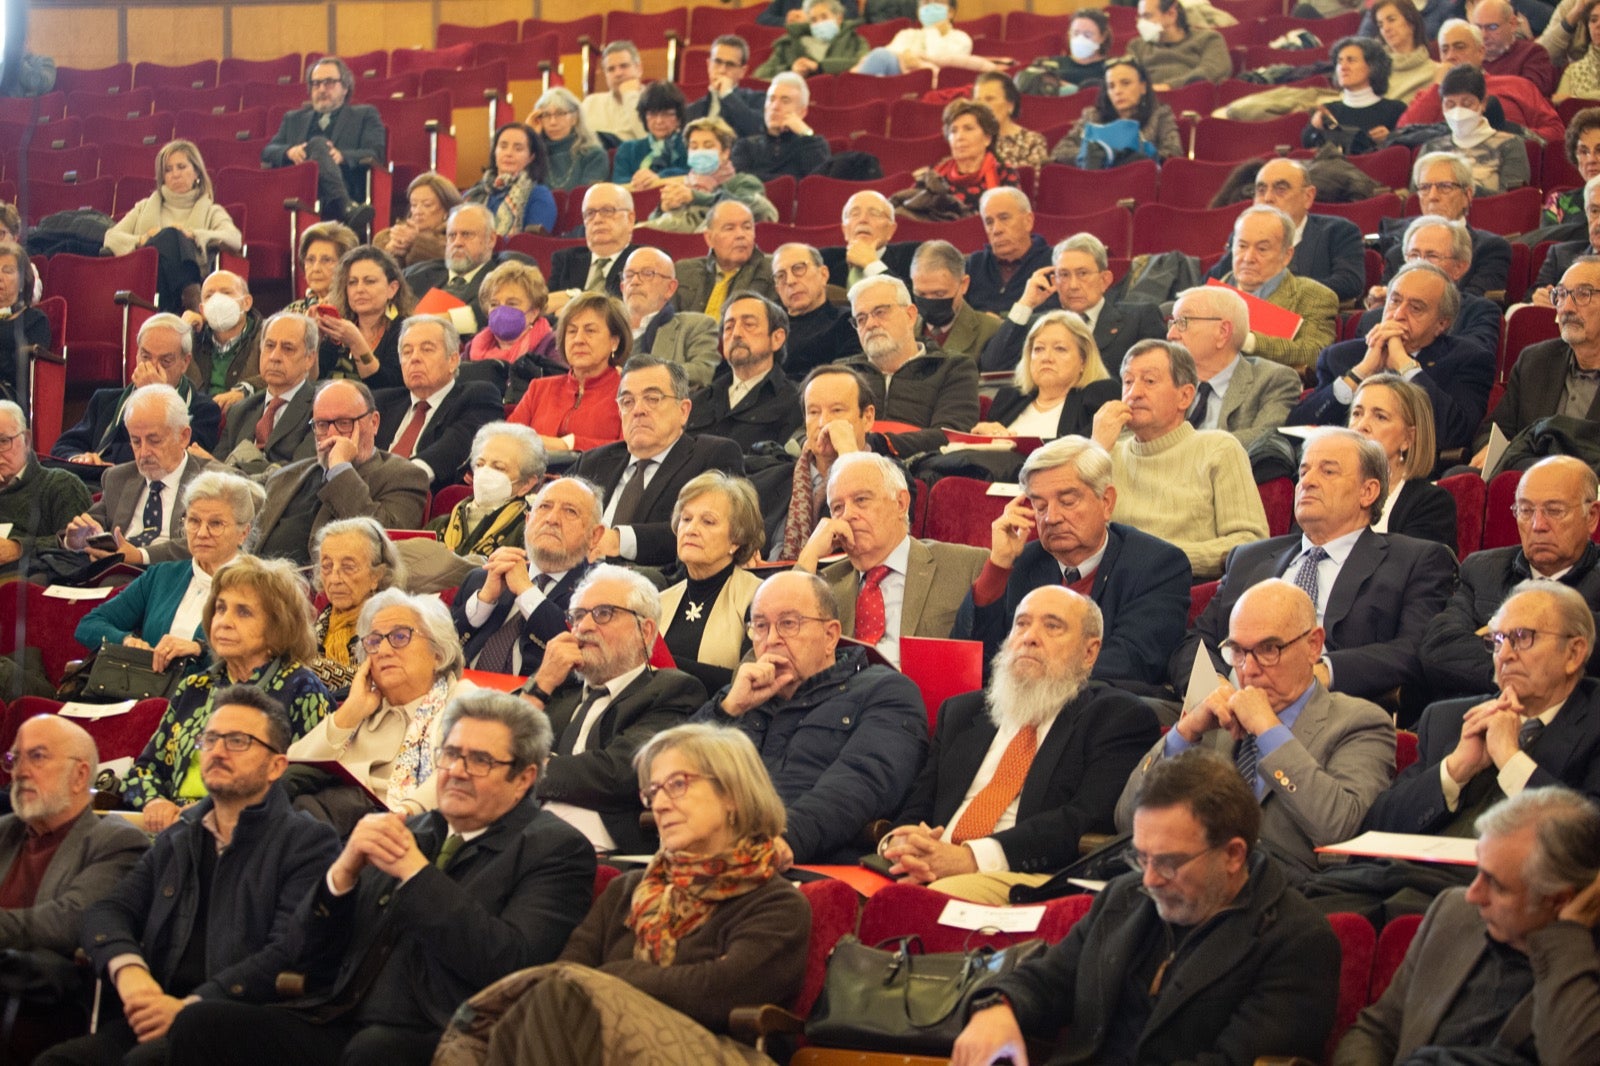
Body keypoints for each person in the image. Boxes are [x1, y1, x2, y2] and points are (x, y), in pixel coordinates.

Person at [165, 690, 595, 1066]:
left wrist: (416, 874)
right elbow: (306, 953)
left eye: (479, 760)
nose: (457, 770)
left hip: (443, 1033)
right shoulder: (412, 831)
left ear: (524, 778)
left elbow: (511, 964)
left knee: (374, 1051)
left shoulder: (555, 849)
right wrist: (341, 877)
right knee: (201, 1024)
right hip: (340, 1016)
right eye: (450, 754)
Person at [429, 722, 808, 1064]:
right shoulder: (628, 889)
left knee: (557, 1002)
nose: (659, 804)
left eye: (677, 784)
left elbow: (720, 991)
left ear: (732, 795)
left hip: (719, 1051)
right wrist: (602, 984)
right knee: (493, 1029)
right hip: (603, 1041)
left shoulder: (775, 901)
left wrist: (611, 979)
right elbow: (570, 970)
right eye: (653, 792)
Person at [949, 751, 1340, 1066]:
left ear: (1233, 854)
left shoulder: (1296, 940)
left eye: (1168, 863)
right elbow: (1049, 980)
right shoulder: (1125, 895)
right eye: (1141, 858)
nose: (1150, 880)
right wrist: (999, 1007)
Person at [35, 687, 340, 1066]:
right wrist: (132, 975)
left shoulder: (308, 842)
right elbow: (107, 911)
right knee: (59, 1061)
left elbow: (286, 951)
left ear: (277, 766)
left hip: (236, 1026)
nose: (217, 751)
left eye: (238, 741)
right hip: (155, 1012)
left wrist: (190, 1007)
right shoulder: (180, 837)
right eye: (209, 739)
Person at [885, 587, 1161, 903]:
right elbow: (919, 803)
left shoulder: (1116, 717)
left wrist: (972, 857)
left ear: (1089, 652)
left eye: (1052, 626)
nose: (1030, 637)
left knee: (925, 901)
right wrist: (901, 842)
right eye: (1022, 623)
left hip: (1026, 877)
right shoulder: (963, 712)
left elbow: (1083, 819)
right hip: (929, 864)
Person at [1123, 579, 1396, 874]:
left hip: (1287, 896)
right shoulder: (1216, 722)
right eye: (1238, 651)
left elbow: (1339, 829)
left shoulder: (1358, 722)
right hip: (1184, 884)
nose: (1248, 671)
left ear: (1313, 646)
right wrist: (1184, 733)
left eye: (1268, 649)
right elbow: (1126, 819)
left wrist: (1269, 730)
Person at [1180, 429, 1456, 702]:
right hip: (1227, 707)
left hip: (1329, 711)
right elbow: (1196, 640)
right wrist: (1214, 684)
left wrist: (1323, 671)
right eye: (1303, 472)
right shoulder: (1248, 558)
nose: (1307, 482)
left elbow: (1414, 650)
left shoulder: (1415, 560)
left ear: (1368, 491)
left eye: (1328, 472)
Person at [1336, 787, 1600, 1065]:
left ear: (1559, 900)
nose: (1473, 894)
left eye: (1496, 884)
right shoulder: (1454, 912)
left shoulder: (1581, 970)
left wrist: (1566, 938)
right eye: (1478, 872)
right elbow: (1376, 1031)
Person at [692, 570, 928, 864]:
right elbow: (668, 774)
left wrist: (780, 843)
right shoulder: (740, 694)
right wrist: (728, 710)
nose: (771, 639)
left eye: (788, 624)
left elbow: (857, 785)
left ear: (830, 636)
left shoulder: (884, 691)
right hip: (710, 855)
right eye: (760, 626)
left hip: (804, 861)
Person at [954, 435, 1191, 682]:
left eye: (1067, 501)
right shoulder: (1022, 563)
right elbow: (968, 662)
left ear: (1106, 502)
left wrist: (1034, 671)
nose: (1051, 518)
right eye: (1040, 506)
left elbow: (1132, 661)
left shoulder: (1157, 565)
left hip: (1103, 711)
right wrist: (997, 567)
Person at [120, 556, 331, 831]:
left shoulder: (302, 689)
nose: (224, 621)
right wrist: (154, 803)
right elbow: (143, 771)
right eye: (220, 609)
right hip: (173, 829)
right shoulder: (195, 688)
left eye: (243, 612)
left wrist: (209, 809)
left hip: (248, 832)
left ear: (277, 625)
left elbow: (310, 777)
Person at [1371, 579, 1600, 831]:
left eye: (1523, 637)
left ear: (1574, 653)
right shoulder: (1449, 718)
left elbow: (1591, 834)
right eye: (1498, 640)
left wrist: (1510, 759)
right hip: (1418, 868)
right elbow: (1376, 826)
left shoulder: (1593, 720)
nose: (1504, 655)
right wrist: (1454, 770)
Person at [518, 563, 704, 853]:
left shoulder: (671, 690)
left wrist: (521, 770)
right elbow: (493, 744)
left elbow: (620, 773)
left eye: (603, 614)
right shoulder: (556, 687)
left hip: (600, 844)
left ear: (645, 630)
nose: (584, 627)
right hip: (525, 828)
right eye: (577, 616)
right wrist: (540, 685)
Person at [0, 717, 147, 1063]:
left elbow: (69, 921)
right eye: (14, 759)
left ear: (81, 775)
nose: (20, 771)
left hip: (50, 995)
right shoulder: (5, 831)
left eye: (36, 757)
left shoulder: (117, 842)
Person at [1422, 457, 1600, 700]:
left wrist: (1497, 647)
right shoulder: (1483, 570)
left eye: (1554, 511)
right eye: (1526, 510)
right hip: (1477, 710)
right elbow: (1439, 648)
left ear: (1591, 516)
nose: (1538, 525)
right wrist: (1522, 675)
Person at [1090, 340, 1268, 580]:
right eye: (1128, 382)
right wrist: (1095, 448)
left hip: (1187, 586)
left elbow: (1249, 542)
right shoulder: (1105, 454)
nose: (1134, 393)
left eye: (1149, 381)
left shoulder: (1218, 449)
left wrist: (1163, 558)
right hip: (1111, 584)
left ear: (1185, 396)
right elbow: (1072, 531)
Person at [288, 588, 475, 817]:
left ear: (437, 652)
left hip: (405, 830)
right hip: (324, 824)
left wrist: (406, 813)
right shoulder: (360, 709)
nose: (383, 651)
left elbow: (460, 773)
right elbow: (291, 773)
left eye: (400, 637)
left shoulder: (464, 702)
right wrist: (348, 714)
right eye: (374, 642)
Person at [795, 452, 987, 666]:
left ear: (901, 503)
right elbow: (775, 649)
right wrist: (808, 556)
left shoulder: (968, 566)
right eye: (838, 507)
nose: (848, 515)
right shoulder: (821, 584)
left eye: (861, 500)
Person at [1292, 260, 1497, 456]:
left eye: (1415, 308)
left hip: (1414, 474)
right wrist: (1361, 372)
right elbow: (1297, 427)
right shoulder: (1342, 356)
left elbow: (1454, 433)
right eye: (1395, 301)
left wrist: (1406, 366)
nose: (1398, 314)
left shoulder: (1468, 359)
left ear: (1441, 324)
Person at [76, 471, 264, 680]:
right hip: (146, 695)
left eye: (216, 524)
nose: (202, 533)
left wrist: (199, 649)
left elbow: (266, 654)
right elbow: (89, 624)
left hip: (217, 701)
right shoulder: (162, 576)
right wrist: (127, 641)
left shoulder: (261, 586)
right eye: (194, 521)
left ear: (244, 532)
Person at [571, 356, 744, 567]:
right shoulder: (592, 462)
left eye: (652, 398)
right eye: (627, 402)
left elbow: (711, 533)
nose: (638, 410)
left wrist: (619, 540)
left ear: (683, 411)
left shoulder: (712, 455)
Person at [252, 379, 430, 566]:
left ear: (374, 423)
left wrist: (340, 469)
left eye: (344, 423)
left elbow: (383, 542)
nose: (331, 434)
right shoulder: (286, 475)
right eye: (322, 425)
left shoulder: (404, 476)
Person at [934, 310, 1117, 483]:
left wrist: (1010, 443)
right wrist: (986, 439)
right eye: (1038, 349)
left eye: (1060, 349)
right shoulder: (1010, 397)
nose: (1047, 357)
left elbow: (1082, 452)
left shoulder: (1096, 396)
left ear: (1083, 360)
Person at [60, 383, 225, 568]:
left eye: (154, 441)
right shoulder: (118, 477)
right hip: (116, 569)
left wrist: (140, 556)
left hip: (173, 574)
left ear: (184, 437)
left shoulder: (215, 481)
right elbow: (94, 522)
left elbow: (207, 543)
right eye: (136, 441)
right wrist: (76, 540)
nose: (144, 452)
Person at [451, 476, 603, 676]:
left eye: (570, 511)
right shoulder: (481, 579)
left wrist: (526, 591)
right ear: (528, 521)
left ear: (595, 536)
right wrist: (484, 601)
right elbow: (441, 649)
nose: (552, 519)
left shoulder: (600, 591)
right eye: (544, 507)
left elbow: (580, 654)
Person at [51, 314, 222, 473]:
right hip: (97, 481)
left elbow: (174, 456)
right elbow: (62, 447)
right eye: (146, 357)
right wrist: (82, 459)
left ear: (185, 363)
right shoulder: (105, 400)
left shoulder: (204, 410)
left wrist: (157, 397)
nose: (153, 367)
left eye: (165, 361)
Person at [981, 232, 1167, 374]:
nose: (1073, 285)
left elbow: (1156, 376)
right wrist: (1025, 303)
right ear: (1054, 280)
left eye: (1082, 274)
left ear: (1105, 280)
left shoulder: (1139, 318)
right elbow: (992, 365)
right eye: (1064, 275)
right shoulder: (1040, 324)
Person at [840, 275, 981, 458]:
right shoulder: (842, 373)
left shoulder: (954, 368)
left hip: (920, 471)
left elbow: (951, 436)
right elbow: (805, 431)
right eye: (861, 319)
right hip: (845, 471)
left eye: (880, 312)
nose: (871, 324)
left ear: (910, 315)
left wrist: (873, 443)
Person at [1484, 256, 1600, 467]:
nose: (1566, 308)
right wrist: (1488, 449)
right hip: (1528, 483)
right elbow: (1495, 430)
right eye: (1561, 295)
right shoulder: (1535, 361)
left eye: (1583, 294)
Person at [103, 139, 241, 315]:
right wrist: (142, 239)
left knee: (171, 235)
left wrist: (193, 234)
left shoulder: (210, 210)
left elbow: (234, 238)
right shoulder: (144, 206)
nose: (175, 174)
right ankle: (193, 301)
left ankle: (187, 300)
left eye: (181, 167)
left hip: (186, 283)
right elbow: (111, 237)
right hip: (148, 280)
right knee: (168, 235)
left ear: (197, 172)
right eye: (168, 170)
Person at [372, 316, 504, 493]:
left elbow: (454, 447)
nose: (414, 358)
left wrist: (397, 478)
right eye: (407, 352)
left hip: (418, 496)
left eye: (426, 350)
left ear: (453, 360)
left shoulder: (477, 396)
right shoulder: (380, 402)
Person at [1206, 158, 1367, 305]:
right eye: (1261, 190)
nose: (1268, 198)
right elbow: (1209, 283)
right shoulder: (1243, 235)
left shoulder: (1338, 231)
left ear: (1308, 196)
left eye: (1280, 189)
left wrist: (1273, 291)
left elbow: (1349, 283)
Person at [1166, 285, 1303, 448]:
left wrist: (1184, 448)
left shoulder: (1273, 379)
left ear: (1223, 332)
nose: (1170, 334)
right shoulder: (1161, 377)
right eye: (1172, 323)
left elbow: (1264, 438)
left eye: (1183, 322)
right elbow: (1132, 430)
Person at [659, 472, 766, 680]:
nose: (691, 529)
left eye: (708, 522)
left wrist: (659, 666)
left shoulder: (758, 598)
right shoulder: (660, 601)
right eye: (686, 519)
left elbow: (746, 681)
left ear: (736, 539)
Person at [768, 364, 877, 559]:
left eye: (836, 410)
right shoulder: (772, 481)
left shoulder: (892, 479)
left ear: (867, 418)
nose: (822, 423)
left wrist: (849, 455)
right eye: (813, 412)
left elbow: (875, 544)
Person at [1212, 205, 1339, 372]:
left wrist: (1247, 341)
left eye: (1262, 249)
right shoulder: (1208, 295)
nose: (1248, 258)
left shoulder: (1312, 296)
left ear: (1287, 255)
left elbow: (1315, 354)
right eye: (1242, 246)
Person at [262, 56, 386, 225]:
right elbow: (267, 151)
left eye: (329, 82)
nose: (321, 89)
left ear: (345, 87)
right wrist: (289, 152)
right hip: (301, 193)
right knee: (318, 143)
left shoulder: (365, 115)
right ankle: (347, 207)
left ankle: (342, 202)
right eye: (316, 84)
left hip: (348, 183)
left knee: (318, 143)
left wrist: (342, 156)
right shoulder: (293, 119)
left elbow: (376, 153)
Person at [1399, 22, 1563, 144]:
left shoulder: (1517, 85)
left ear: (1480, 52)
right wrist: (1438, 88)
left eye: (1459, 47)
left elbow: (1556, 133)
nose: (1450, 56)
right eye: (1445, 50)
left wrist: (1512, 137)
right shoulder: (1430, 94)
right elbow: (1403, 135)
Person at [1367, 214, 1503, 358]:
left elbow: (1470, 362)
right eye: (1414, 255)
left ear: (1459, 267)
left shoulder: (1478, 312)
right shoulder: (1371, 319)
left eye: (1432, 256)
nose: (1420, 264)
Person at [1378, 151, 1512, 297]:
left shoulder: (1490, 248)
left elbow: (1475, 306)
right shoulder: (1397, 254)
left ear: (1467, 195)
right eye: (1424, 187)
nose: (1432, 196)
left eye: (1445, 186)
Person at [507, 291, 626, 452]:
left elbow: (628, 449)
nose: (578, 340)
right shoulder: (539, 388)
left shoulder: (628, 393)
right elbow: (506, 439)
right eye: (572, 331)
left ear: (615, 342)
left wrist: (569, 444)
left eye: (590, 331)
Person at [1348, 373, 1455, 549]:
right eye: (1357, 413)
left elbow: (1412, 572)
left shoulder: (1431, 504)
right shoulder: (1324, 486)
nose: (1361, 426)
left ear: (1408, 438)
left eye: (1380, 416)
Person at [687, 292, 803, 449]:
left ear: (777, 338)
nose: (736, 334)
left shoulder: (795, 401)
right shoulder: (697, 401)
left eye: (749, 325)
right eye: (729, 327)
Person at [307, 516, 406, 692]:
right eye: (327, 566)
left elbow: (372, 678)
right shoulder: (318, 622)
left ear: (377, 575)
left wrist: (304, 667)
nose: (335, 579)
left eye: (348, 567)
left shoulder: (391, 625)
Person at [640, 116, 780, 234]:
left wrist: (695, 197)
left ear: (725, 152)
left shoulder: (744, 182)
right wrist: (662, 208)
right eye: (694, 147)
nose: (700, 151)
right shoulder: (683, 185)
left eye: (708, 146)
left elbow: (748, 207)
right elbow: (654, 223)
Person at [429, 422, 547, 560]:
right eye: (480, 464)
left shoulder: (529, 532)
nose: (484, 472)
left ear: (526, 484)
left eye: (499, 468)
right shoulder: (440, 525)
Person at [0, 400, 91, 572]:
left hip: (31, 582)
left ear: (26, 440)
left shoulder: (60, 485)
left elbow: (79, 547)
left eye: (3, 441)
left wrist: (18, 548)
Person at [313, 245, 415, 392]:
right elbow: (313, 381)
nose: (359, 289)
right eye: (352, 282)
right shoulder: (338, 328)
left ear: (392, 289)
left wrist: (356, 342)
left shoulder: (404, 331)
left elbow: (388, 385)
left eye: (370, 281)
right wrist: (314, 342)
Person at [1418, 64, 1531, 195]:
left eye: (1467, 104)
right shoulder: (1431, 148)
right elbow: (1417, 199)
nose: (1458, 112)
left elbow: (1512, 200)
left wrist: (1458, 191)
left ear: (1483, 103)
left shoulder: (1510, 145)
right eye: (1450, 104)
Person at [1049, 56, 1183, 167]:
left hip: (1138, 182)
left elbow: (1173, 153)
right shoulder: (1092, 115)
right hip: (1095, 182)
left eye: (1125, 83)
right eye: (1111, 86)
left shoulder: (1160, 114)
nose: (1117, 91)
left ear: (1143, 87)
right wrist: (1095, 153)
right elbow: (1059, 152)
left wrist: (1136, 155)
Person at [618, 248, 721, 386]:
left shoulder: (696, 325)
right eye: (629, 275)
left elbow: (703, 372)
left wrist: (644, 375)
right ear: (622, 287)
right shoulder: (606, 330)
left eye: (647, 273)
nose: (635, 281)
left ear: (670, 288)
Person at [404, 204, 502, 335]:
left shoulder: (499, 280)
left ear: (491, 239)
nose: (457, 242)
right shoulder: (420, 273)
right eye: (452, 235)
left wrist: (419, 323)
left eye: (466, 235)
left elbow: (482, 315)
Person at [915, 98, 1020, 217]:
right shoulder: (934, 174)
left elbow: (1012, 219)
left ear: (987, 138)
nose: (959, 137)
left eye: (968, 129)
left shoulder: (1004, 173)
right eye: (953, 131)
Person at [672, 200, 777, 318]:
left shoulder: (774, 270)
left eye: (747, 227)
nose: (740, 235)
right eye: (729, 228)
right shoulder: (684, 272)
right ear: (709, 238)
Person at [1302, 36, 1408, 153]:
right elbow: (1307, 145)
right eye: (1339, 61)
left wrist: (1390, 139)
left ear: (1373, 66)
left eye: (1351, 60)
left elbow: (1405, 150)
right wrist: (1315, 127)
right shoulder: (1328, 111)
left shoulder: (1396, 110)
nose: (1343, 67)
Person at [546, 184, 639, 312]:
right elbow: (546, 310)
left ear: (630, 219)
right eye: (590, 213)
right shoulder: (565, 259)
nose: (597, 219)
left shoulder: (642, 260)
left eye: (607, 211)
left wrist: (574, 297)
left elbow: (627, 309)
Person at [853, 0, 1008, 77]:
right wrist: (905, 58)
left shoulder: (960, 38)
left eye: (938, 2)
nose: (931, 6)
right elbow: (890, 56)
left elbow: (939, 58)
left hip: (931, 81)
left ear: (951, 12)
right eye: (926, 2)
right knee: (879, 55)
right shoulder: (906, 34)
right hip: (897, 79)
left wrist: (934, 31)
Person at [180, 271, 261, 418]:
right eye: (209, 296)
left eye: (226, 292)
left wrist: (245, 390)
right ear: (202, 309)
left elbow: (288, 375)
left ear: (247, 302)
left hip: (246, 420)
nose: (217, 300)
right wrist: (180, 331)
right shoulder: (190, 338)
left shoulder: (266, 336)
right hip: (198, 420)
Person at [775, 242, 862, 378]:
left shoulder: (847, 322)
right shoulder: (766, 327)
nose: (790, 281)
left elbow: (846, 379)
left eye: (798, 269)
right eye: (781, 276)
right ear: (776, 289)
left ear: (823, 275)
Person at [965, 187, 1054, 315]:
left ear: (1028, 221)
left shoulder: (1053, 263)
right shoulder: (973, 265)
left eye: (1004, 218)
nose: (996, 230)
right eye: (989, 222)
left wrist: (998, 324)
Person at [730, 72, 831, 181]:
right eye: (771, 99)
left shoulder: (814, 145)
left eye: (785, 100)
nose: (775, 107)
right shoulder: (745, 146)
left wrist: (806, 134)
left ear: (802, 112)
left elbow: (819, 182)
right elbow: (740, 182)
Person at [462, 121, 556, 237]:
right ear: (494, 152)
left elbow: (533, 244)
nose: (509, 153)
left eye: (518, 149)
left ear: (531, 157)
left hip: (512, 255)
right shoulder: (476, 192)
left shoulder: (539, 194)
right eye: (503, 146)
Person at [908, 240, 999, 360]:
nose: (929, 300)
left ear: (963, 285)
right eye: (921, 294)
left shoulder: (990, 330)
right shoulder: (901, 330)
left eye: (939, 294)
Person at [464, 260, 554, 375]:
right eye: (494, 304)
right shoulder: (473, 346)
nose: (501, 311)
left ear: (533, 313)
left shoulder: (550, 346)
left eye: (512, 304)